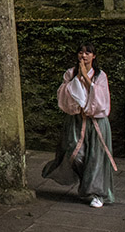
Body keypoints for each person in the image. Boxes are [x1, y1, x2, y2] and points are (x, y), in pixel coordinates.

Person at [41, 43, 117, 208]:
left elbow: (103, 98)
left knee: (96, 158)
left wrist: (87, 78)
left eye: (88, 53)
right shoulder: (70, 73)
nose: (84, 55)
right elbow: (64, 95)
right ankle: (88, 184)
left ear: (94, 56)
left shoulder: (100, 75)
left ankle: (96, 193)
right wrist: (78, 84)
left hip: (96, 122)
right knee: (75, 153)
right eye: (81, 52)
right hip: (76, 121)